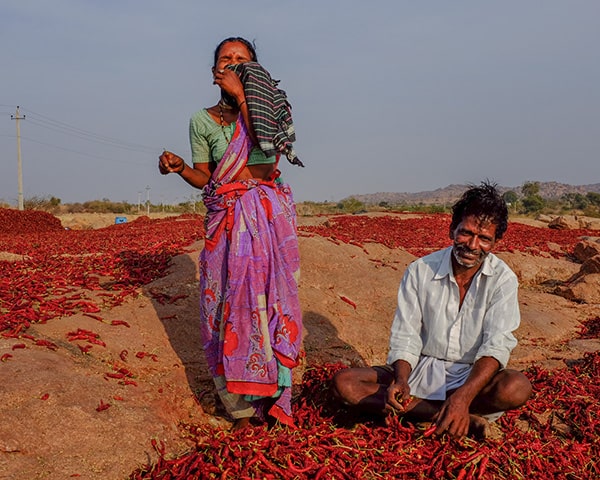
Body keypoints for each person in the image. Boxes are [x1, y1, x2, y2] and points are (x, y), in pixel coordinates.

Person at [158, 37, 304, 430]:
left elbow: (266, 148)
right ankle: (239, 407)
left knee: (270, 303)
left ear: (253, 69)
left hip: (266, 220)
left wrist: (243, 97)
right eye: (227, 59)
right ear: (215, 72)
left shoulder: (270, 108)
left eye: (242, 60)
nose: (234, 64)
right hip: (226, 222)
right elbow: (206, 178)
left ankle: (275, 397)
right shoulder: (201, 121)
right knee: (224, 308)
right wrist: (179, 167)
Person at [332, 181, 532, 438]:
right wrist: (402, 380)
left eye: (484, 239)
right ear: (452, 229)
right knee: (344, 384)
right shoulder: (420, 270)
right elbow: (406, 335)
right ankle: (453, 417)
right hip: (420, 370)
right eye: (466, 233)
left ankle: (429, 410)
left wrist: (463, 396)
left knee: (516, 387)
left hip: (471, 376)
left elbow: (496, 345)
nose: (472, 245)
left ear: (495, 242)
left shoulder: (502, 280)